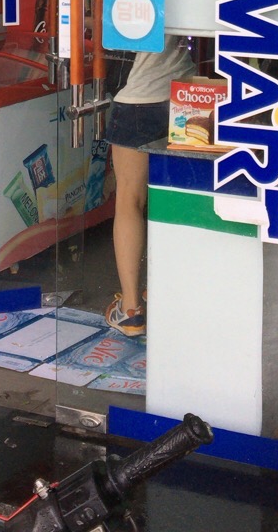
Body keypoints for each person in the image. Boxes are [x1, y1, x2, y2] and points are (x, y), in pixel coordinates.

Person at [103, 35, 194, 338]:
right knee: (178, 197)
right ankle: (167, 292)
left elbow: (112, 30)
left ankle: (131, 310)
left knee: (129, 199)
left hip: (139, 97)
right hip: (185, 93)